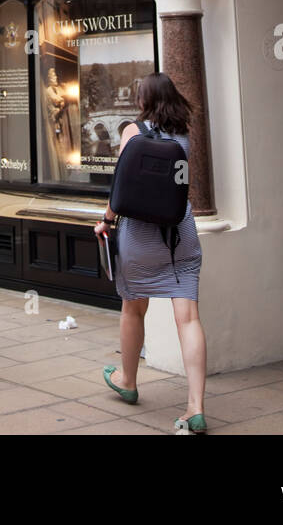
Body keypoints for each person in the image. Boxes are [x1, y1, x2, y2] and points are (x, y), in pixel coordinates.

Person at [95, 72, 208, 433]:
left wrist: (106, 221)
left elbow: (122, 186)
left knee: (133, 307)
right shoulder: (184, 136)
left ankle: (128, 380)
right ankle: (195, 407)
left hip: (139, 237)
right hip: (180, 234)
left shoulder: (132, 132)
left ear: (143, 100)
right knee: (188, 317)